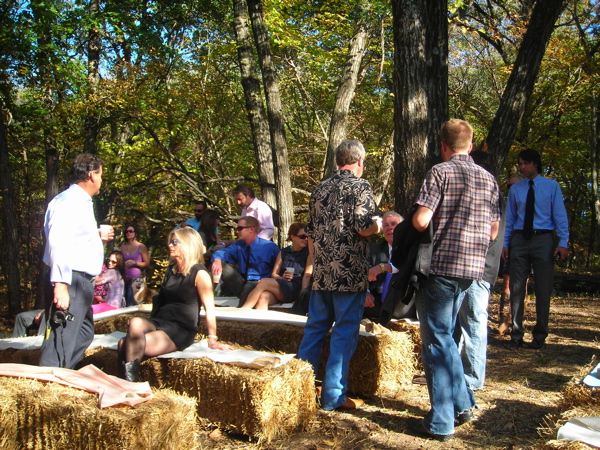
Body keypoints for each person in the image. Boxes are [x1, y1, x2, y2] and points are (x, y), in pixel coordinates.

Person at [408, 120, 500, 441]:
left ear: (443, 145)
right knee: (446, 338)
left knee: (436, 342)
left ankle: (441, 421)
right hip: (471, 271)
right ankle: (462, 404)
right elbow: (492, 231)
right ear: (470, 145)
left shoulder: (440, 172)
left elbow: (421, 220)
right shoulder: (489, 179)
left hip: (440, 269)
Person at [297, 139, 382, 411]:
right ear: (359, 161)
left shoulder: (319, 189)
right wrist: (378, 226)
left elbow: (310, 232)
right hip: (349, 273)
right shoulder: (360, 186)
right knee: (344, 334)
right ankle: (332, 397)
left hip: (323, 273)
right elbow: (363, 226)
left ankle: (299, 392)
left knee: (314, 330)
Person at [118, 227, 233, 382]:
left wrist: (213, 339)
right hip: (160, 321)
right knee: (134, 323)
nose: (170, 245)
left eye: (174, 242)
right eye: (170, 242)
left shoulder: (199, 273)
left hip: (180, 329)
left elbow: (209, 308)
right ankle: (125, 384)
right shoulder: (171, 270)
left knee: (124, 344)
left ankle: (129, 386)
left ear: (187, 244)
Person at [39, 153, 114, 369]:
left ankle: (63, 374)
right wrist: (60, 284)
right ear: (91, 175)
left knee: (83, 333)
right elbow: (58, 241)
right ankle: (50, 385)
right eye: (100, 175)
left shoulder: (80, 202)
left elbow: (73, 237)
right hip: (70, 280)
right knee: (60, 340)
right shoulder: (68, 201)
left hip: (82, 284)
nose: (101, 180)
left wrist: (95, 234)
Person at [502, 149, 569, 350]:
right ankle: (516, 335)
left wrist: (563, 242)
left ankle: (539, 336)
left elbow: (559, 214)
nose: (522, 167)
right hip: (520, 239)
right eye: (520, 164)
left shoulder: (551, 186)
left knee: (543, 288)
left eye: (526, 163)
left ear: (535, 164)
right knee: (516, 288)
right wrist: (506, 243)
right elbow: (510, 218)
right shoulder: (516, 189)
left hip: (544, 239)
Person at [453, 150, 505, 392]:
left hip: (480, 270)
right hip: (468, 267)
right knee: (462, 323)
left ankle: (472, 379)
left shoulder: (489, 199)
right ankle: (457, 372)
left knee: (474, 322)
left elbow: (493, 236)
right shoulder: (486, 196)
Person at [211, 216, 280, 306]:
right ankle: (206, 298)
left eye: (240, 228)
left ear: (251, 229)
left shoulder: (269, 247)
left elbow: (280, 269)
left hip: (260, 285)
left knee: (251, 286)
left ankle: (242, 314)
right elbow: (224, 252)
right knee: (218, 265)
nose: (237, 231)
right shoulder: (239, 245)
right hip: (242, 283)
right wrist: (217, 260)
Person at [241, 222, 310, 310]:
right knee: (263, 297)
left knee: (264, 282)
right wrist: (282, 277)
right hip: (282, 286)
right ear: (293, 237)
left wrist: (302, 297)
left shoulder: (308, 253)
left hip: (295, 288)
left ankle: (244, 309)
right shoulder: (284, 252)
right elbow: (274, 274)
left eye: (307, 237)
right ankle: (259, 322)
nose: (306, 239)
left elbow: (307, 276)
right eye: (302, 236)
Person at [365, 212, 403, 320]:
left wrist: (383, 267)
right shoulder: (374, 249)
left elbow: (406, 268)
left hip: (401, 302)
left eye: (393, 224)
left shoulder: (410, 248)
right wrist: (366, 292)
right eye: (386, 225)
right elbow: (361, 274)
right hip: (376, 301)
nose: (390, 228)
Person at [498, 174, 523, 335]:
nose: (512, 188)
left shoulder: (527, 201)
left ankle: (518, 320)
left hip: (527, 244)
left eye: (515, 185)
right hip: (509, 245)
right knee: (507, 283)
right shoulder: (504, 204)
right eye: (509, 186)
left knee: (522, 285)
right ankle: (503, 320)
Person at [121, 224, 150, 307]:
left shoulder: (141, 246)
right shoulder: (123, 246)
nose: (128, 233)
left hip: (135, 280)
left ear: (136, 233)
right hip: (123, 278)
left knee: (131, 304)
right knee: (122, 303)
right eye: (126, 231)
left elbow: (147, 263)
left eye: (131, 231)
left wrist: (135, 262)